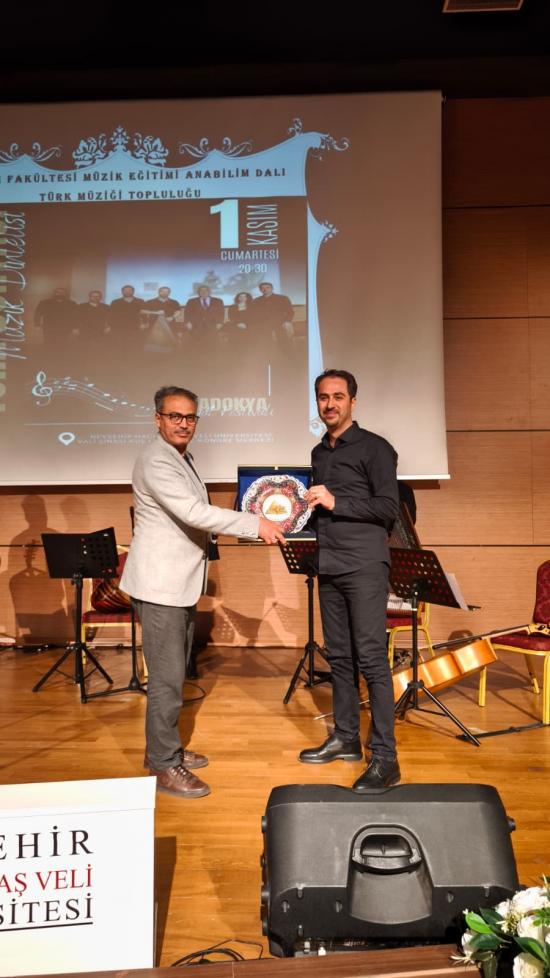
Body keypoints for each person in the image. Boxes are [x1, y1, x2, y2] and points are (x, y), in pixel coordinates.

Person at [120, 385, 285, 800]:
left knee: (173, 675)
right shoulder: (157, 460)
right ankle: (163, 765)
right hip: (160, 585)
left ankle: (164, 749)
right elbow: (193, 513)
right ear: (157, 419)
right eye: (174, 416)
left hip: (176, 584)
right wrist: (255, 523)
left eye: (190, 417)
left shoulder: (182, 458)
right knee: (167, 680)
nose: (183, 424)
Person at [299, 368, 401, 790]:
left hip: (364, 565)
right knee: (339, 657)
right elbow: (321, 510)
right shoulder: (318, 452)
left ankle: (386, 758)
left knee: (372, 660)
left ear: (353, 401)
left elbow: (388, 508)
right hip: (329, 563)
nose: (330, 404)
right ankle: (346, 738)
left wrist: (335, 500)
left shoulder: (376, 448)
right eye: (323, 397)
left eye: (338, 397)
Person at [251, 282, 294, 350]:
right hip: (263, 325)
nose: (265, 289)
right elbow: (254, 314)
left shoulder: (282, 298)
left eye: (267, 287)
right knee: (267, 345)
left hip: (280, 324)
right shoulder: (256, 300)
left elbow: (290, 311)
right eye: (263, 288)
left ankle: (286, 355)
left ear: (272, 288)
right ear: (260, 290)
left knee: (284, 343)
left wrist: (287, 321)